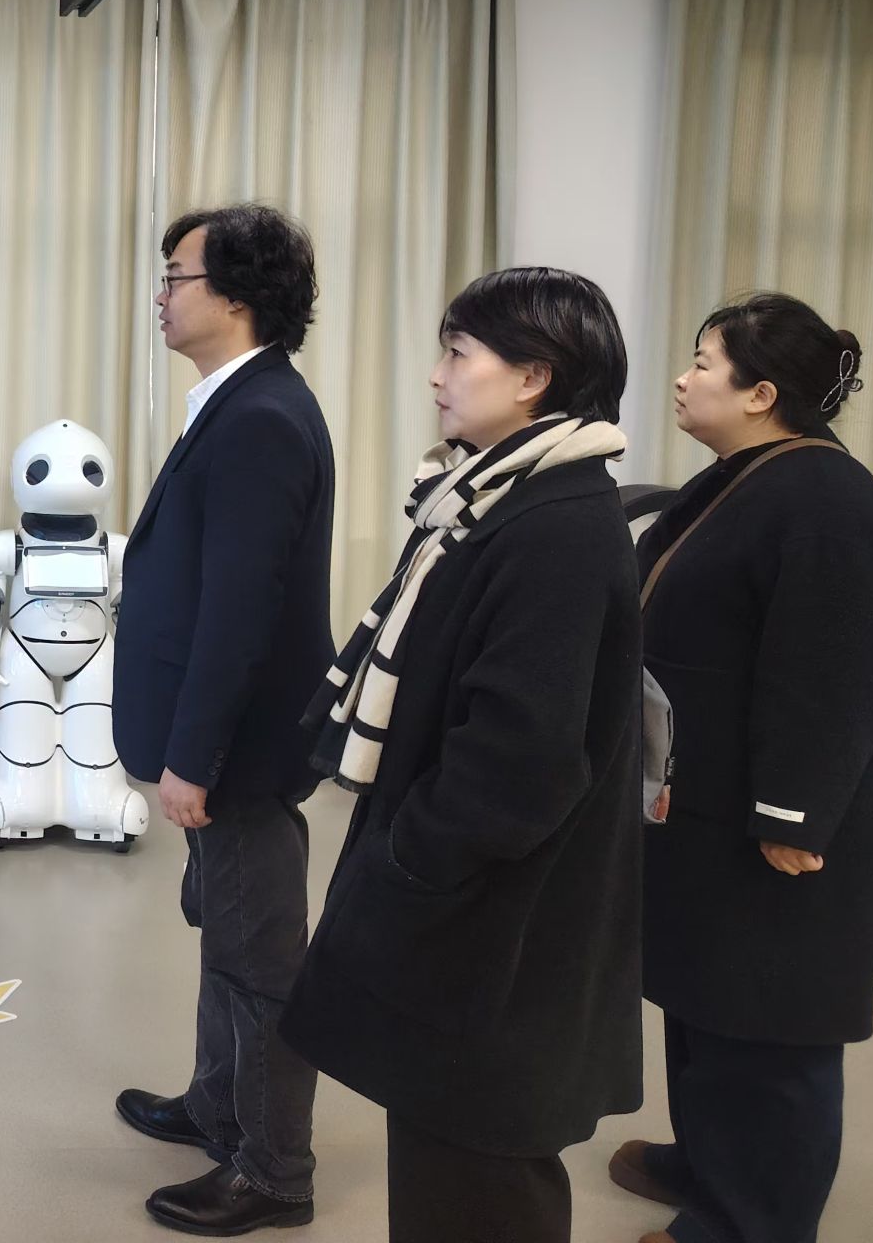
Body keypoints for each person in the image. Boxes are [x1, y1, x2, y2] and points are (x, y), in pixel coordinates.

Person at [280, 267, 644, 1243]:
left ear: (531, 377)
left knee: (479, 1169)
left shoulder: (556, 525)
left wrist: (411, 858)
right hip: (474, 911)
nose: (437, 376)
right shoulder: (493, 499)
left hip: (496, 921)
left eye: (457, 353)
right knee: (449, 1150)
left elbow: (519, 761)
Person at [609, 293, 873, 1243]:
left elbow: (832, 673)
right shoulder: (744, 477)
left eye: (704, 363)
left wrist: (793, 815)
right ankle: (710, 1164)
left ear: (762, 394)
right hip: (706, 802)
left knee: (771, 1021)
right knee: (708, 999)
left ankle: (755, 1221)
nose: (684, 379)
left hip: (777, 816)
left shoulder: (828, 499)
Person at [111, 203, 335, 1236]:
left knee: (258, 966)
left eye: (177, 276)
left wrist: (192, 757)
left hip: (237, 752)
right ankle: (215, 1105)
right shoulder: (241, 402)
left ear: (237, 295)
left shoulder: (259, 420)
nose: (161, 295)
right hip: (223, 745)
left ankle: (273, 1172)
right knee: (227, 942)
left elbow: (241, 613)